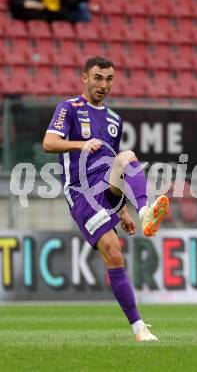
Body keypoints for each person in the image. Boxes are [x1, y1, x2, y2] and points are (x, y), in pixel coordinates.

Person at [42, 56, 170, 342]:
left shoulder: (114, 119)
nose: (103, 84)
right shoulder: (69, 108)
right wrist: (81, 143)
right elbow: (49, 143)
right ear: (84, 77)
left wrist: (123, 211)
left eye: (109, 79)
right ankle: (139, 327)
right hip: (80, 190)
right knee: (113, 252)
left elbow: (112, 162)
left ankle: (145, 210)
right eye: (98, 78)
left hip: (107, 186)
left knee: (125, 157)